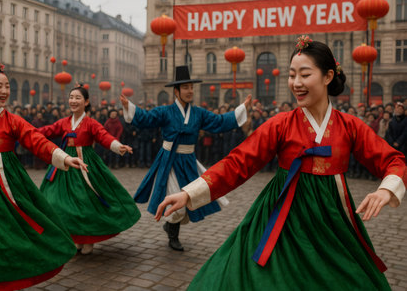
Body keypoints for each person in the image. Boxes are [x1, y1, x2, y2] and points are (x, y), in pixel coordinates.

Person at [155, 37, 406, 290]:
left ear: (328, 76)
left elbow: (393, 160)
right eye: (291, 75)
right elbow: (238, 162)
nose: (296, 83)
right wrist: (188, 194)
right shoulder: (281, 124)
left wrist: (386, 189)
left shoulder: (350, 126)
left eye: (305, 74)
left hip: (332, 216)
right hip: (283, 212)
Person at [0, 64, 88, 290]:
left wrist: (65, 158)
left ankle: (7, 273)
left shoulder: (12, 120)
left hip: (7, 182)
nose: (5, 90)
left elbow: (36, 140)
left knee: (8, 228)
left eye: (7, 86)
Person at [120, 65, 251, 251]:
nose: (190, 91)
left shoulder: (198, 113)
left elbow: (219, 122)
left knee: (190, 199)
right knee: (176, 203)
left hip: (189, 161)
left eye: (191, 87)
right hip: (169, 161)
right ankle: (173, 236)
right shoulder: (165, 112)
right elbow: (147, 118)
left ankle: (170, 227)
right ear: (176, 91)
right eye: (186, 88)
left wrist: (241, 109)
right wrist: (130, 107)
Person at [38, 85, 140, 255]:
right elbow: (45, 131)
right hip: (65, 163)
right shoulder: (63, 122)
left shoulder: (91, 123)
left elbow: (104, 136)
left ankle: (88, 238)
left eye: (77, 98)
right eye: (71, 97)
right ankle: (76, 237)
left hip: (85, 165)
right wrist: (23, 133)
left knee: (85, 203)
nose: (73, 101)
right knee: (59, 202)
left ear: (86, 102)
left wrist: (118, 146)